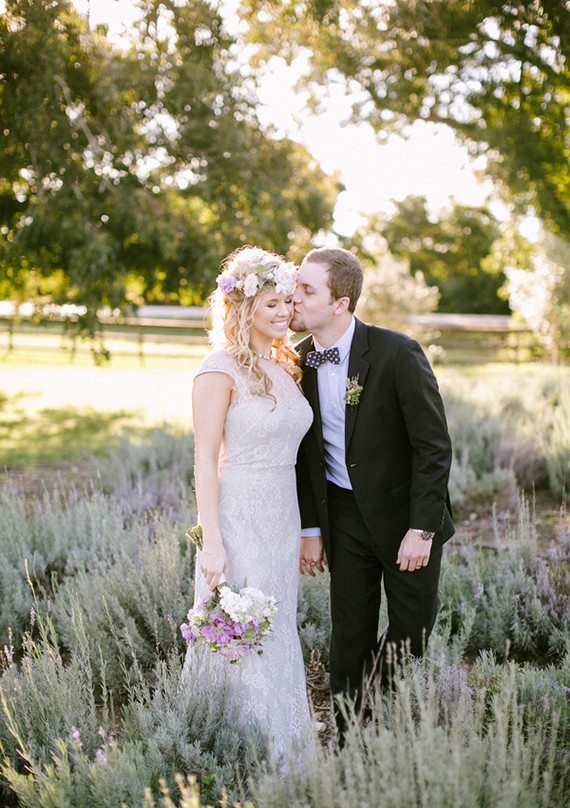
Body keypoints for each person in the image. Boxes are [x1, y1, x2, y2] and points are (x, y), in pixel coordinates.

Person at [292, 246, 454, 734]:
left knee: (412, 633)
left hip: (406, 516)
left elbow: (434, 446)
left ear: (339, 302)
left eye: (306, 289)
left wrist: (421, 529)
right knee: (350, 634)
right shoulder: (297, 361)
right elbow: (303, 456)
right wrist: (312, 528)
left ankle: (370, 710)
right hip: (341, 515)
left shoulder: (397, 353)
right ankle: (347, 738)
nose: (293, 297)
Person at [181, 245, 314, 762]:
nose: (284, 313)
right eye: (272, 304)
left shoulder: (284, 366)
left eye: (287, 302)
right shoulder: (219, 368)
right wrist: (210, 542)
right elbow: (203, 461)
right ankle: (228, 751)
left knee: (274, 625)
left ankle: (284, 747)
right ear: (243, 308)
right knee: (238, 628)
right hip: (236, 517)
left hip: (282, 516)